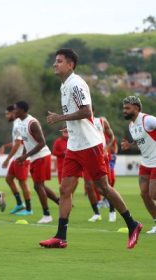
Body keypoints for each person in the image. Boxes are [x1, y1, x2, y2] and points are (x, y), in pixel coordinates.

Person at [43, 48, 142, 249]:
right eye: (55, 61)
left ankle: (133, 224)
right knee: (65, 189)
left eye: (59, 61)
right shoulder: (64, 86)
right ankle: (61, 237)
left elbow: (86, 111)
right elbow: (80, 115)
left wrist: (60, 117)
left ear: (70, 65)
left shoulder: (76, 84)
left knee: (103, 188)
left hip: (89, 145)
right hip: (75, 145)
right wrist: (68, 126)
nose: (55, 64)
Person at [12, 101, 59, 224]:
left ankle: (47, 215)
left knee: (38, 186)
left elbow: (42, 142)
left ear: (22, 110)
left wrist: (26, 156)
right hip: (34, 157)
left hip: (42, 156)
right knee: (40, 185)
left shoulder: (32, 123)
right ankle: (59, 202)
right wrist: (24, 156)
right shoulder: (20, 122)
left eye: (15, 109)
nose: (14, 111)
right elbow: (25, 142)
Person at [121, 96, 156, 234]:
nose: (124, 111)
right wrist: (130, 146)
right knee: (144, 194)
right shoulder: (131, 125)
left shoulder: (147, 120)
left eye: (127, 108)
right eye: (124, 108)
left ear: (137, 108)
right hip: (145, 162)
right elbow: (141, 143)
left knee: (154, 194)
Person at [0, 105, 32, 215]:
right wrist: (5, 145)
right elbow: (16, 142)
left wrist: (7, 159)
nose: (6, 116)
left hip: (21, 158)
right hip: (16, 158)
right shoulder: (16, 123)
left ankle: (28, 209)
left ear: (13, 113)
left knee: (23, 183)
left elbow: (18, 144)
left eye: (7, 114)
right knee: (9, 179)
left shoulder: (18, 124)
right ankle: (19, 204)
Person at [84, 113, 117, 223]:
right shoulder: (80, 123)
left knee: (104, 187)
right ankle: (96, 213)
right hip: (87, 156)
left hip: (101, 157)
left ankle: (112, 211)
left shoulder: (101, 121)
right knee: (89, 186)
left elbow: (112, 136)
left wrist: (106, 148)